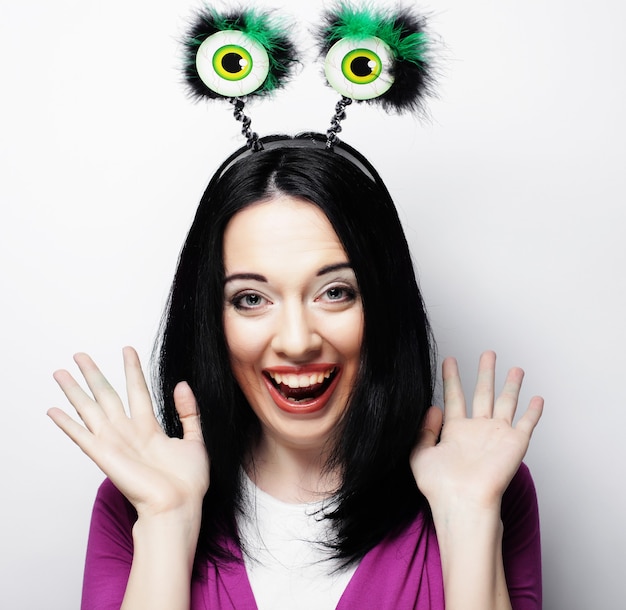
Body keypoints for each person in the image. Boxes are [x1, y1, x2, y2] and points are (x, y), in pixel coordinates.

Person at [48, 133, 544, 610]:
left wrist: (470, 517)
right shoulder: (136, 496)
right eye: (251, 299)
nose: (296, 341)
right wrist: (165, 518)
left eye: (335, 292)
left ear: (384, 304)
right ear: (210, 320)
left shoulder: (483, 483)